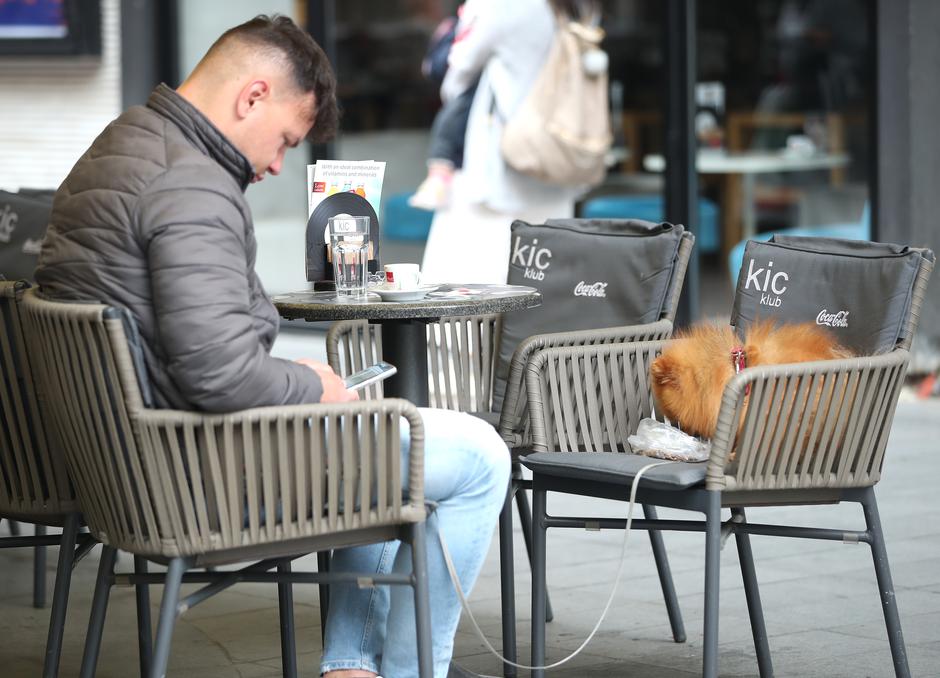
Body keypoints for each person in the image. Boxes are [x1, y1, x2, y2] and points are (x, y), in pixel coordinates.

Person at [34, 15, 508, 678]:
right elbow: (219, 374)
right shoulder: (192, 183)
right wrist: (314, 386)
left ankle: (352, 667)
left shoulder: (118, 146)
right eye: (286, 139)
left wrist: (310, 386)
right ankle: (405, 673)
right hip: (205, 474)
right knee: (480, 455)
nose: (278, 164)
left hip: (131, 469)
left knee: (374, 438)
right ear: (251, 96)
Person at [420, 0, 593, 285]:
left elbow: (459, 68)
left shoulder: (503, 5)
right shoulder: (577, 7)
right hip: (558, 154)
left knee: (470, 277)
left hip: (499, 159)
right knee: (542, 276)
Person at [408, 4, 478, 212]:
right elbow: (447, 67)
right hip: (461, 93)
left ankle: (439, 173)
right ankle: (439, 173)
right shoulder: (461, 22)